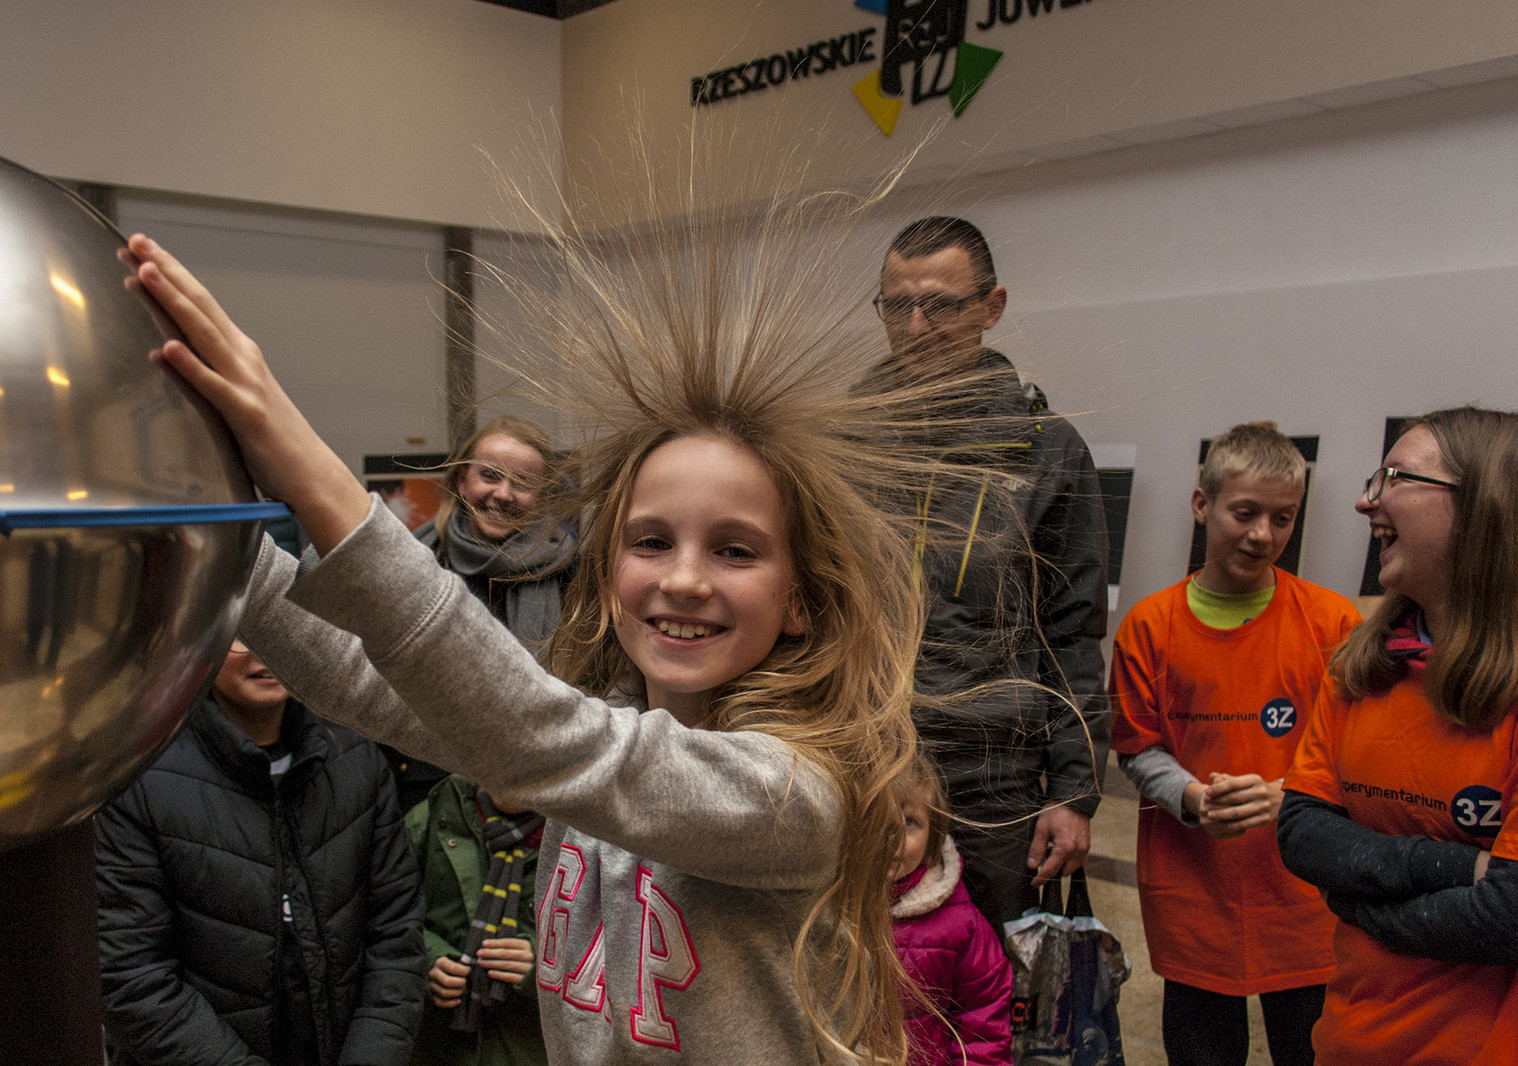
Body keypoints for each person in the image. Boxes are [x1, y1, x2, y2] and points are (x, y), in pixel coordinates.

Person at [120, 178, 995, 1064]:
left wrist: (299, 460)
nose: (684, 579)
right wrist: (202, 530)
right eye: (651, 541)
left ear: (802, 598)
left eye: (735, 550)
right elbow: (362, 680)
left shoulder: (794, 792)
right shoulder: (593, 732)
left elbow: (537, 734)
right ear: (608, 569)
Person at [1276, 407, 1518, 1064]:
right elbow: (1303, 833)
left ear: (1488, 507)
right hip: (1349, 1041)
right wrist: (1457, 868)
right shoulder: (1363, 664)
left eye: (1395, 477)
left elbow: (1515, 923)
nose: (1366, 500)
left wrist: (1350, 897)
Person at [872, 215, 1111, 933]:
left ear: (991, 307)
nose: (917, 328)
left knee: (985, 977)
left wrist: (1073, 791)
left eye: (940, 305)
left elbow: (1072, 632)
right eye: (897, 307)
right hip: (863, 762)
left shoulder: (1047, 449)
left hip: (992, 782)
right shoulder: (844, 443)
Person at [1110, 421, 1360, 1066]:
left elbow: (1356, 749)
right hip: (1194, 892)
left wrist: (1291, 797)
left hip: (1303, 897)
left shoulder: (1333, 622)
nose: (1262, 535)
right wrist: (1192, 798)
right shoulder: (1149, 625)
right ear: (1202, 505)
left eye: (1282, 518)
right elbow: (1138, 747)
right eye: (1244, 513)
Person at [96, 640, 426, 1066]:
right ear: (207, 632)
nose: (265, 647)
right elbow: (130, 975)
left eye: (278, 623)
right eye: (243, 632)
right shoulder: (140, 776)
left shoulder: (356, 759)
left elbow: (396, 937)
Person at [391, 416, 575, 811]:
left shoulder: (569, 571)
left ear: (541, 497)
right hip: (428, 783)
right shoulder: (414, 564)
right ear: (462, 483)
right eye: (489, 476)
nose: (503, 494)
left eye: (522, 483)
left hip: (540, 782)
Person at [407, 773, 547, 1066]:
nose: (511, 771)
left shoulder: (587, 835)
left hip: (531, 1048)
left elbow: (620, 949)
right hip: (437, 1046)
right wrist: (427, 959)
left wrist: (544, 964)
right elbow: (384, 918)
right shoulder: (433, 815)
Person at [889, 754, 1012, 1066]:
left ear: (933, 837)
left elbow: (984, 1027)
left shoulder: (960, 924)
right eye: (875, 817)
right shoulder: (823, 908)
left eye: (909, 822)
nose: (892, 838)